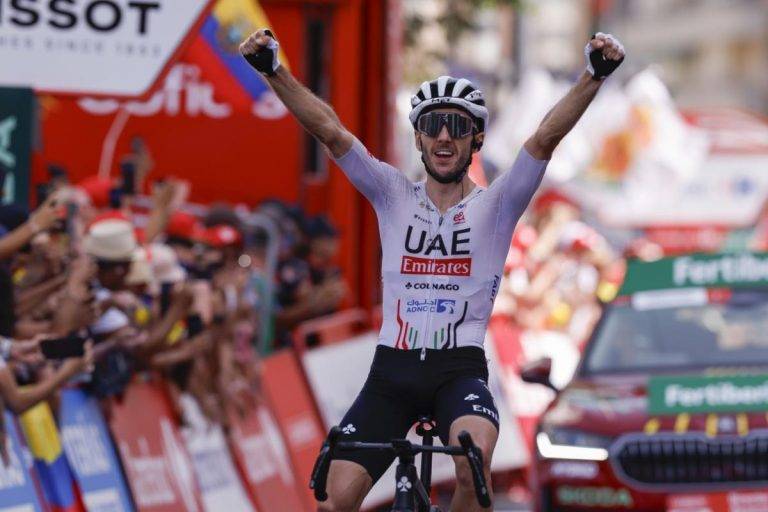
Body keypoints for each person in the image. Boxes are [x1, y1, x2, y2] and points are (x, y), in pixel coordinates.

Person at [241, 28, 625, 511]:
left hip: (457, 370)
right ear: (419, 136)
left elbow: (545, 138)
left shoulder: (499, 205)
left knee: (473, 460)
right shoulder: (392, 193)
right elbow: (331, 132)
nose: (445, 135)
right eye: (434, 124)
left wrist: (594, 76)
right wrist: (274, 70)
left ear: (476, 139)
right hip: (391, 373)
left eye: (458, 126)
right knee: (334, 499)